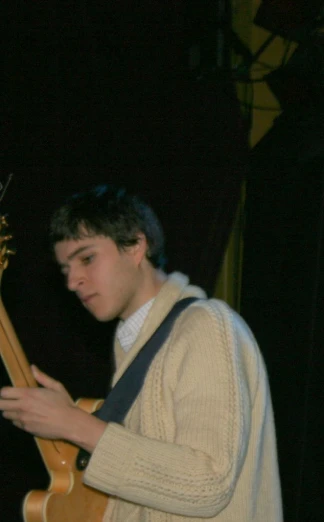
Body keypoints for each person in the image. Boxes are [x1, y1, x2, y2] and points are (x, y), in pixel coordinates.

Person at [0, 185, 283, 521]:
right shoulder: (136, 350)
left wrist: (75, 424)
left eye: (87, 258)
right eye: (65, 270)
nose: (73, 281)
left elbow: (208, 482)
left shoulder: (205, 325)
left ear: (135, 245)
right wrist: (69, 426)